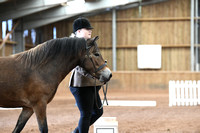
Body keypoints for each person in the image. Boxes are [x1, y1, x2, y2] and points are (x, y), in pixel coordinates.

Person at [69, 17, 104, 133]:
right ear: (78, 31)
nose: (90, 31)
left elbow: (98, 59)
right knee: (86, 114)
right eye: (87, 29)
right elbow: (77, 66)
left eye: (90, 29)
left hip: (92, 84)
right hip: (80, 84)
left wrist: (102, 71)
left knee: (98, 112)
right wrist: (94, 75)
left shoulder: (92, 43)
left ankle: (76, 132)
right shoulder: (73, 45)